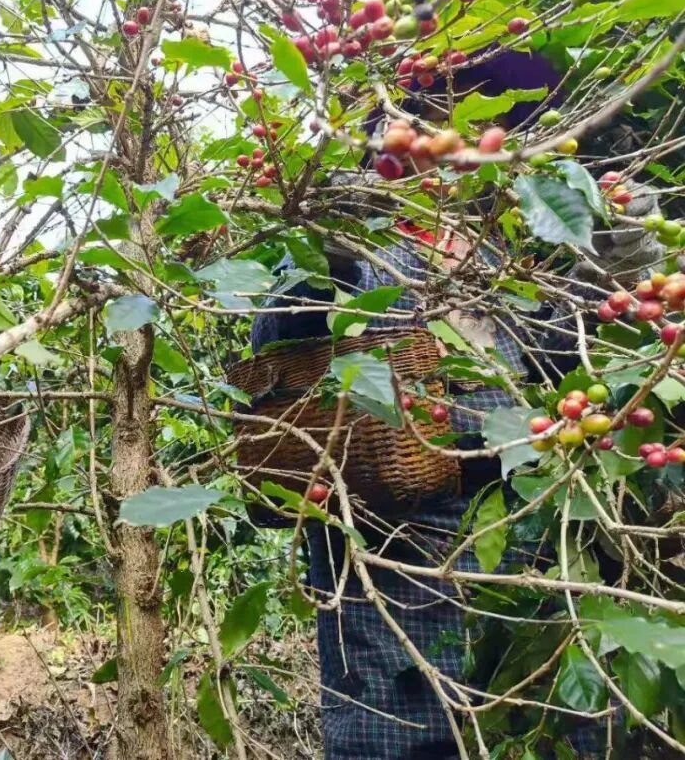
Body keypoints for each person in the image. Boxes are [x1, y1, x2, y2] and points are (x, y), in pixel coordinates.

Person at [249, 50, 663, 759]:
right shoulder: (359, 244)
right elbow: (281, 355)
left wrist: (615, 277)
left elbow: (553, 373)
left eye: (486, 110)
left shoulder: (498, 258)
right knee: (406, 739)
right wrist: (325, 261)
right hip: (399, 598)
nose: (463, 128)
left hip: (525, 579)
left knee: (548, 729)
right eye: (442, 106)